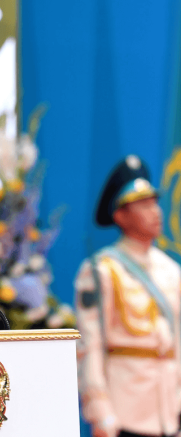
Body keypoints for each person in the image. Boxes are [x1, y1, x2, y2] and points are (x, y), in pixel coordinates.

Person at [75, 155, 181, 437]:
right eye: (143, 205)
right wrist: (100, 413)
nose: (155, 212)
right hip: (126, 412)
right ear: (120, 216)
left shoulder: (171, 271)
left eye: (154, 202)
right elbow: (90, 346)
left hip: (170, 412)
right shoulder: (101, 270)